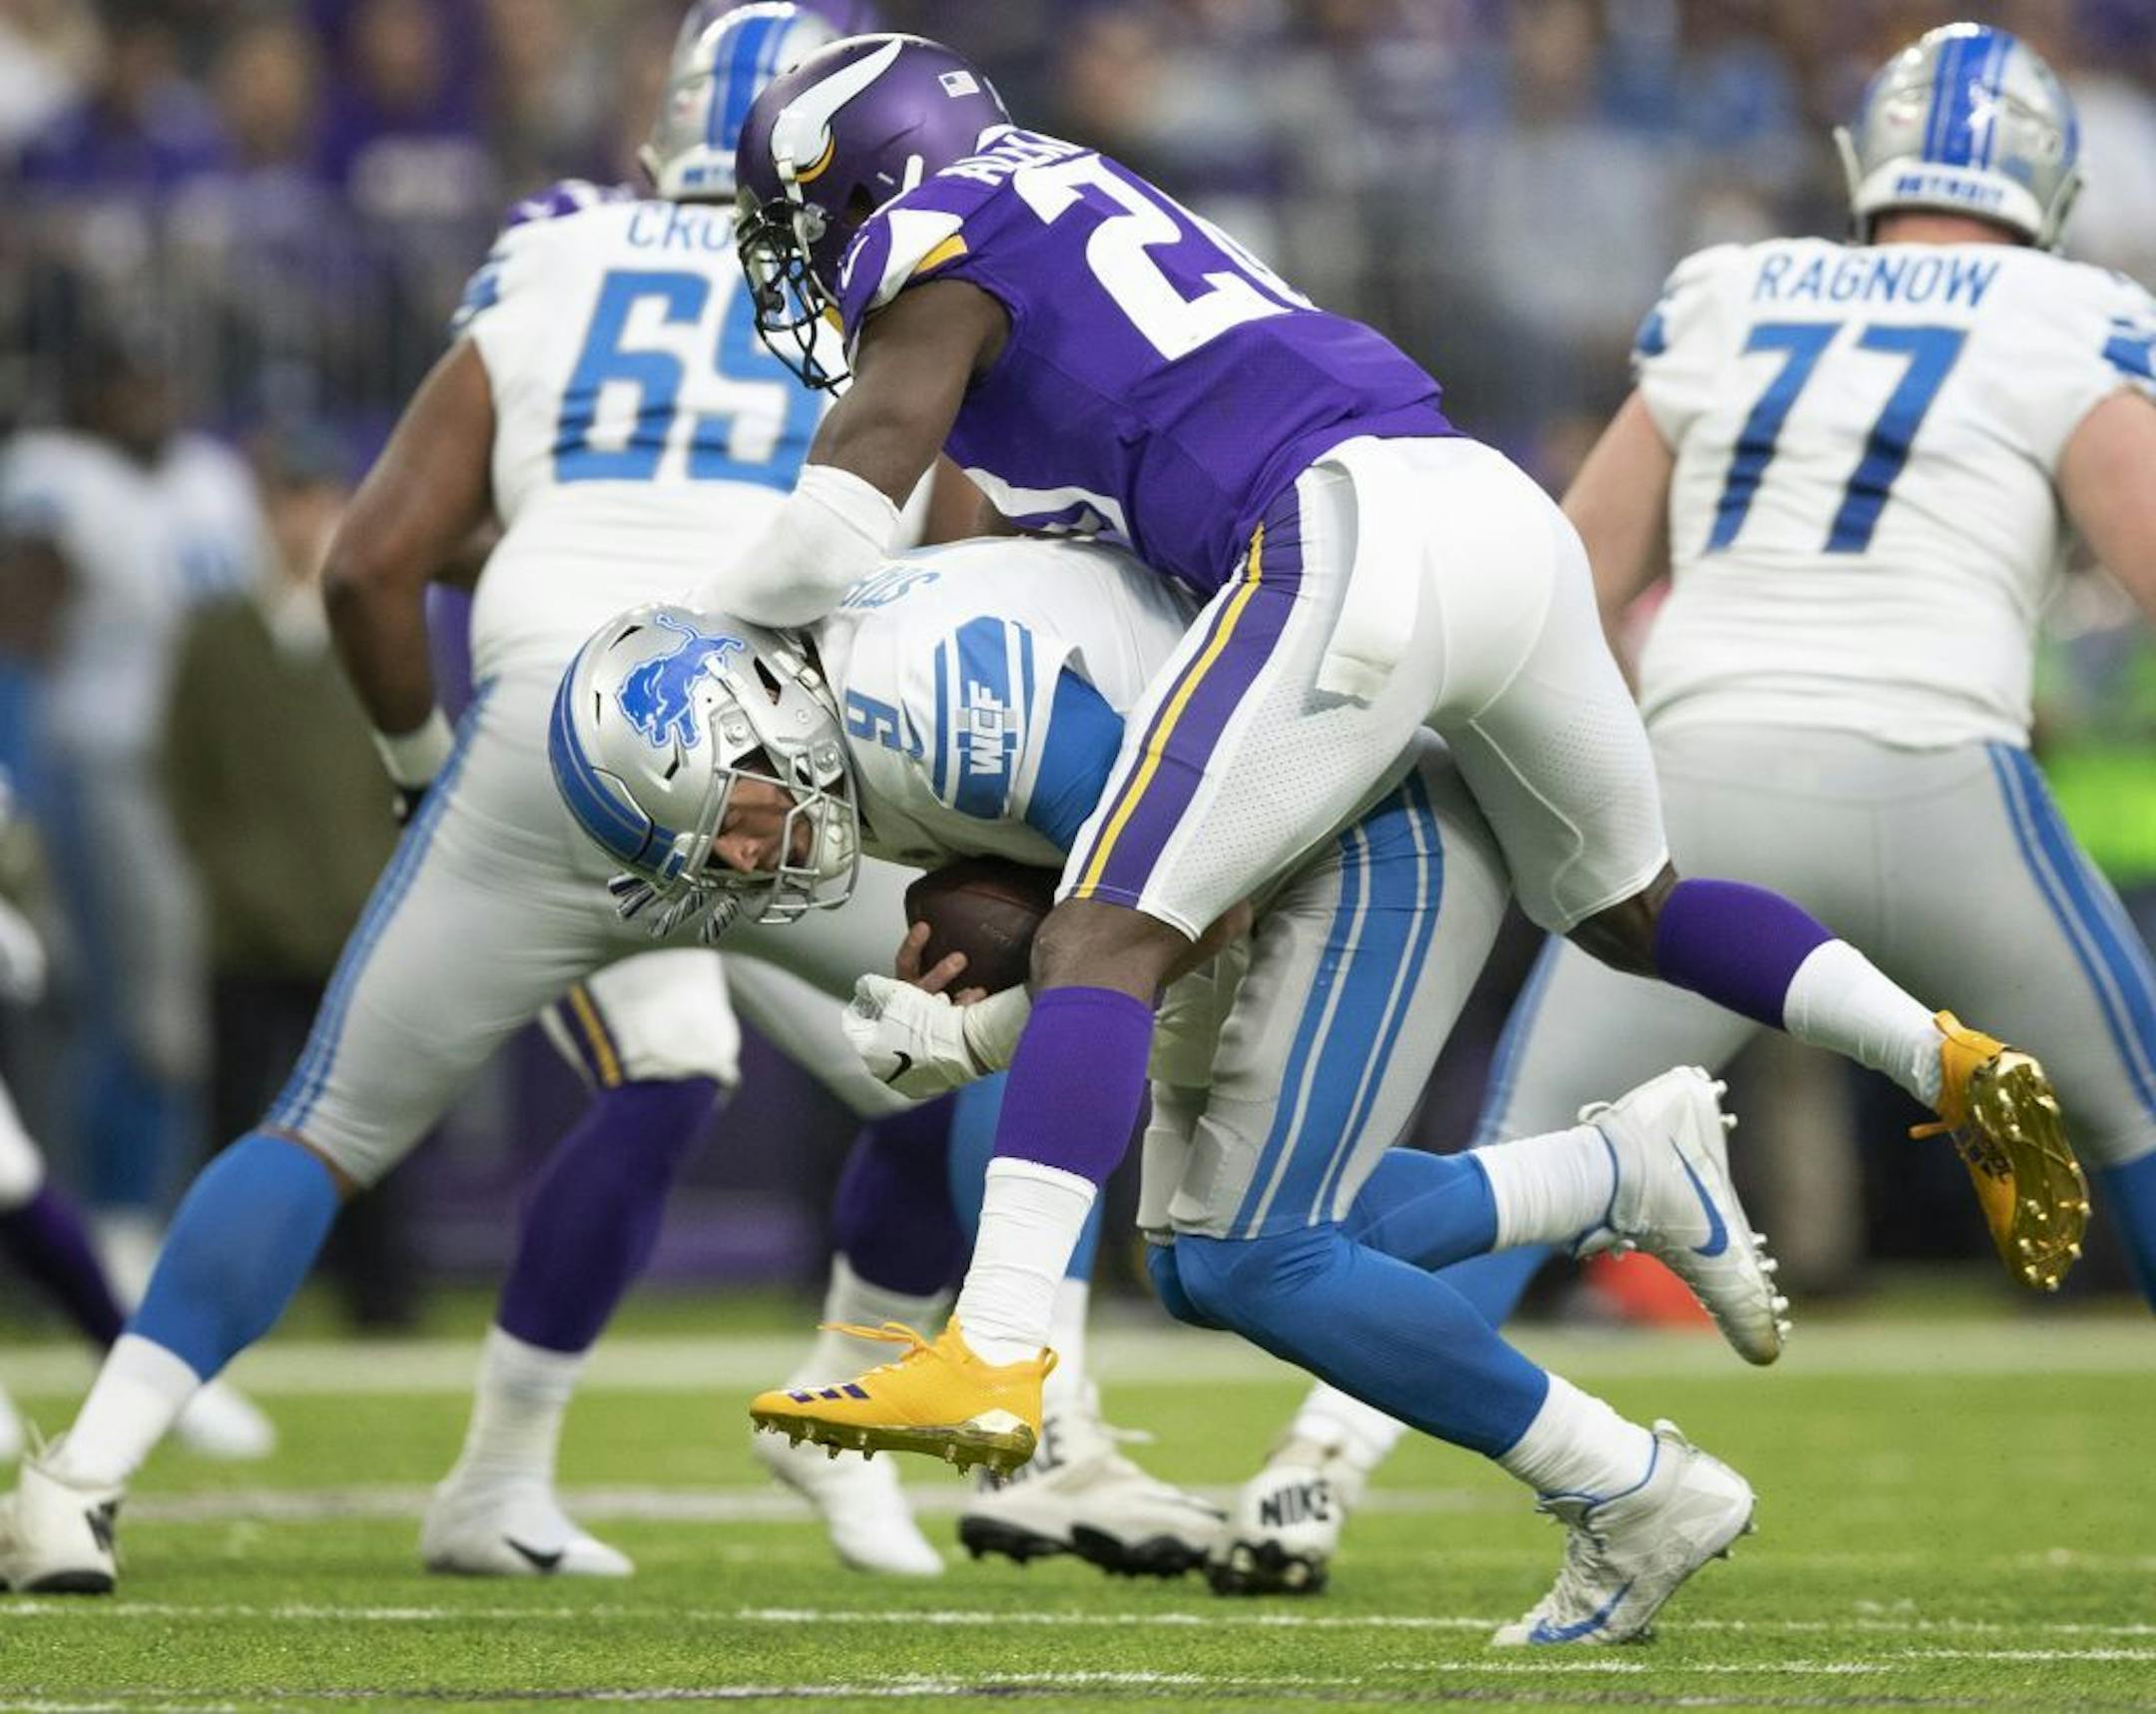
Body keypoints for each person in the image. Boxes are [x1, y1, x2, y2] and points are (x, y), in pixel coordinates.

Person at [711, 32, 2087, 1504]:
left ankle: (993, 1351)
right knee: (1635, 906)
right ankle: (1938, 1053)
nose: (807, 258)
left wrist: (694, 630)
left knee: (1105, 932)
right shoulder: (1063, 194)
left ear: (870, 178)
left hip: (1343, 535)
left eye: (806, 218)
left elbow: (828, 534)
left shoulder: (944, 239)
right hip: (1485, 508)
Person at [0, 2, 1203, 1597]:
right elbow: (967, 564)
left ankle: (78, 1481)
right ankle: (983, 1408)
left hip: (562, 727)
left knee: (326, 1126)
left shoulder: (561, 252)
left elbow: (370, 563)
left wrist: (423, 777)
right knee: (984, 1043)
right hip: (795, 762)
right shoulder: (910, 283)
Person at [1215, 22, 2156, 1596]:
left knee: (1520, 1166)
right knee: (2135, 1120)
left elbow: (1571, 570)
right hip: (1945, 773)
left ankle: (1311, 1473)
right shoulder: (2079, 313)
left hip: (1698, 779)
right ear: (2048, 186)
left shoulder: (1738, 288)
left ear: (1866, 161)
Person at [550, 534, 1789, 1643]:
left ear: (757, 708)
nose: (742, 856)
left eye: (728, 812)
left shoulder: (934, 706)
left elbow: (1188, 896)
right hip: (1289, 845)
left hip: (1365, 831)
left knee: (1257, 1256)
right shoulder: (862, 714)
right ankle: (1614, 1172)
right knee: (1200, 1263)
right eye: (709, 852)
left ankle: (1631, 1483)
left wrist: (976, 1041)